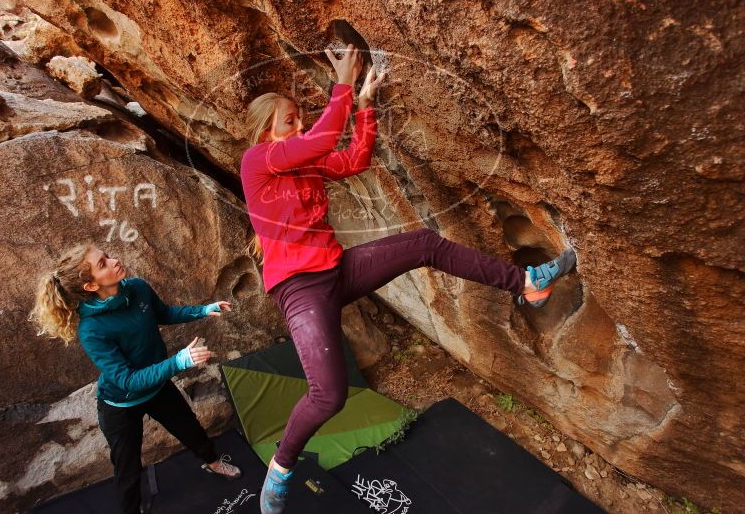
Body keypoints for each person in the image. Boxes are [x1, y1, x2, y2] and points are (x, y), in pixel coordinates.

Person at [240, 44, 576, 514]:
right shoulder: (257, 162)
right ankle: (280, 470)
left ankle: (527, 282)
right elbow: (318, 141)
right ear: (266, 134)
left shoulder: (303, 162)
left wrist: (363, 105)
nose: (298, 126)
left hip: (337, 270)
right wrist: (341, 82)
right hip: (299, 289)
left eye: (299, 118)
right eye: (289, 122)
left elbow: (353, 160)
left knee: (424, 244)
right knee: (329, 395)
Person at [29, 244, 242, 514]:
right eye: (103, 264)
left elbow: (163, 313)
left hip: (157, 387)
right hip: (121, 405)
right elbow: (127, 380)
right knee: (128, 470)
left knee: (191, 429)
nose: (114, 260)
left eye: (107, 256)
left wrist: (202, 310)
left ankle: (212, 462)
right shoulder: (91, 330)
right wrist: (180, 361)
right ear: (91, 286)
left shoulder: (137, 287)